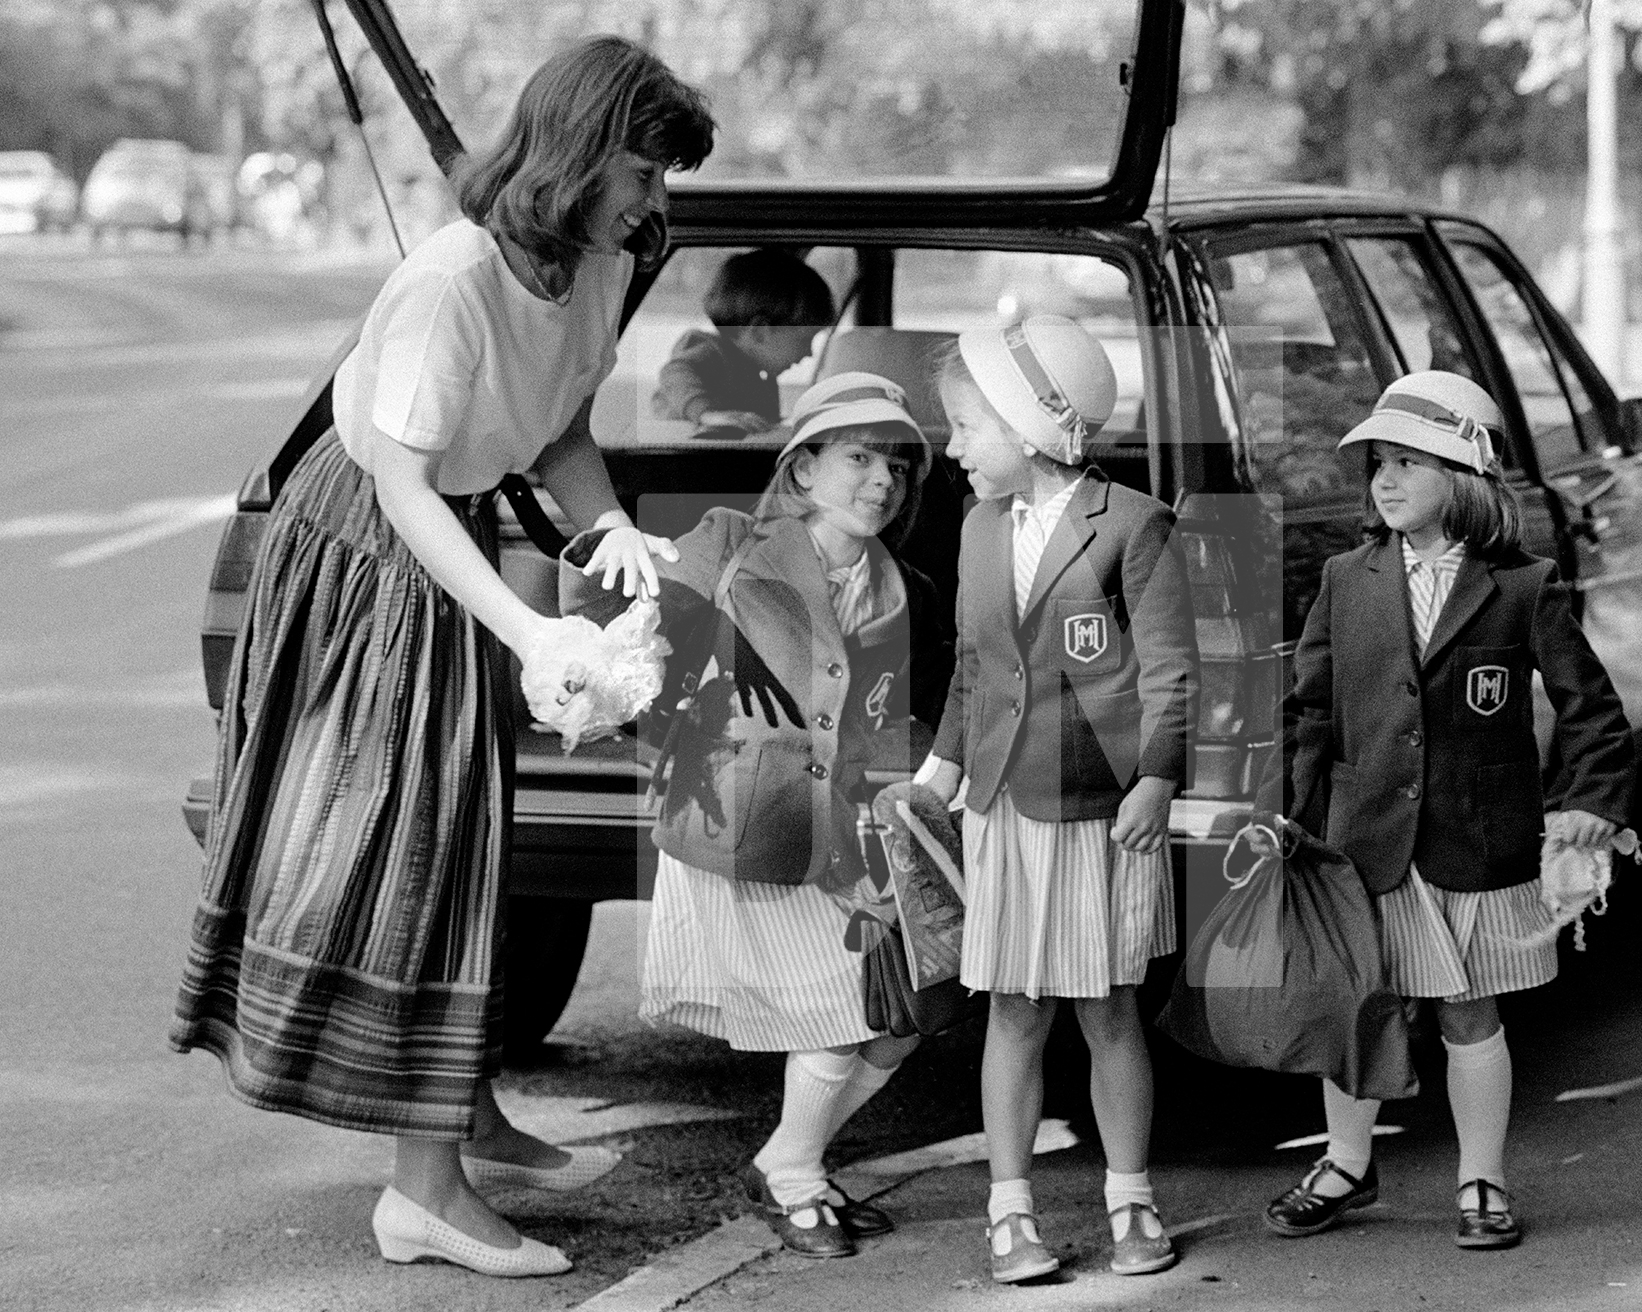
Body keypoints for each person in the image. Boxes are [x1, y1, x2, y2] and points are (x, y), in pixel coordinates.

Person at [168, 37, 715, 1279]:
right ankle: (422, 1196)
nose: (656, 203)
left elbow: (557, 420)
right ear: (578, 154)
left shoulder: (594, 259)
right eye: (644, 171)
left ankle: (462, 1114)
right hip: (366, 549)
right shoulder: (450, 283)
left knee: (475, 831)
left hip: (438, 536)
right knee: (420, 841)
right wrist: (526, 626)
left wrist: (610, 521)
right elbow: (406, 487)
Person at [1253, 370, 1635, 1251]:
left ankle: (1481, 1180)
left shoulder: (1521, 586)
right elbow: (1311, 712)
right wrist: (1290, 817)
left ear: (1463, 477)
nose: (1385, 481)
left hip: (1476, 841)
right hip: (1364, 844)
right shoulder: (1348, 579)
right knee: (1357, 1006)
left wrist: (1587, 803)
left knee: (1469, 1013)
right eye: (1377, 465)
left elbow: (1594, 711)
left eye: (1408, 464)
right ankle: (1347, 1164)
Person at [601, 371, 951, 1260]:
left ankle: (789, 1162)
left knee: (904, 1017)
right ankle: (795, 1179)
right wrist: (664, 743)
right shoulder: (730, 543)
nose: (882, 481)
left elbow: (879, 727)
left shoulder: (895, 586)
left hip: (843, 834)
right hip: (742, 826)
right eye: (859, 457)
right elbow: (623, 633)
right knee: (846, 1016)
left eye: (899, 468)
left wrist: (910, 815)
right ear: (802, 470)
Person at [916, 315, 1197, 1284]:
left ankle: (1130, 1199)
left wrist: (1158, 774)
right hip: (1003, 807)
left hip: (1101, 811)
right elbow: (972, 667)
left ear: (1038, 425)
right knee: (1014, 1011)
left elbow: (1168, 670)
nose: (953, 448)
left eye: (967, 426)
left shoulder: (1132, 523)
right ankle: (1010, 1213)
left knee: (1112, 1009)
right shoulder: (979, 527)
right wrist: (942, 770)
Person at [651, 248, 832, 431]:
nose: (809, 353)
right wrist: (707, 414)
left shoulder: (758, 375)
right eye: (804, 340)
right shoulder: (714, 353)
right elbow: (676, 371)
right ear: (760, 332)